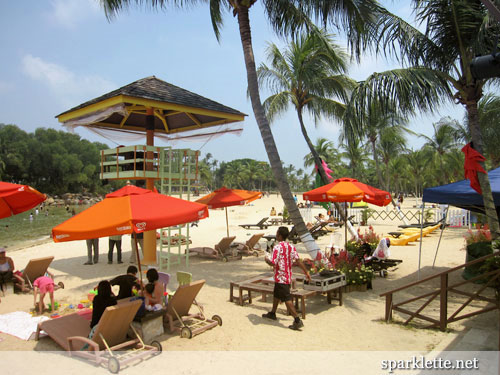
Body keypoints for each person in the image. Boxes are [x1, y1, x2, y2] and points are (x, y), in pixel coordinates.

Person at [262, 226, 311, 330]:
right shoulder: (291, 246)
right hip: (287, 276)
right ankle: (273, 313)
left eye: (277, 233)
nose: (276, 235)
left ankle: (297, 320)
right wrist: (306, 272)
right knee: (277, 294)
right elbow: (298, 260)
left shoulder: (277, 247)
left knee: (287, 299)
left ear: (279, 236)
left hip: (280, 277)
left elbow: (273, 263)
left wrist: (266, 259)